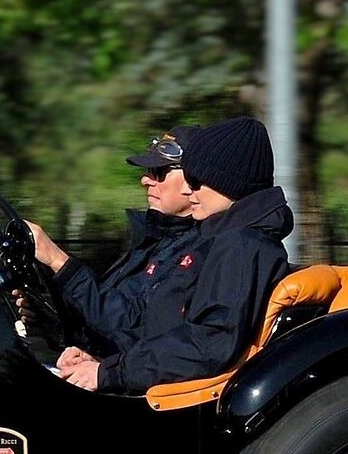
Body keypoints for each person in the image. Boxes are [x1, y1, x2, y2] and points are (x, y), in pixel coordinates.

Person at [24, 117, 294, 393]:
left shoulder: (241, 245)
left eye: (196, 180)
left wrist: (109, 372)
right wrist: (104, 360)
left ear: (228, 183)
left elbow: (207, 345)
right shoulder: (229, 240)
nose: (189, 189)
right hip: (150, 380)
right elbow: (157, 325)